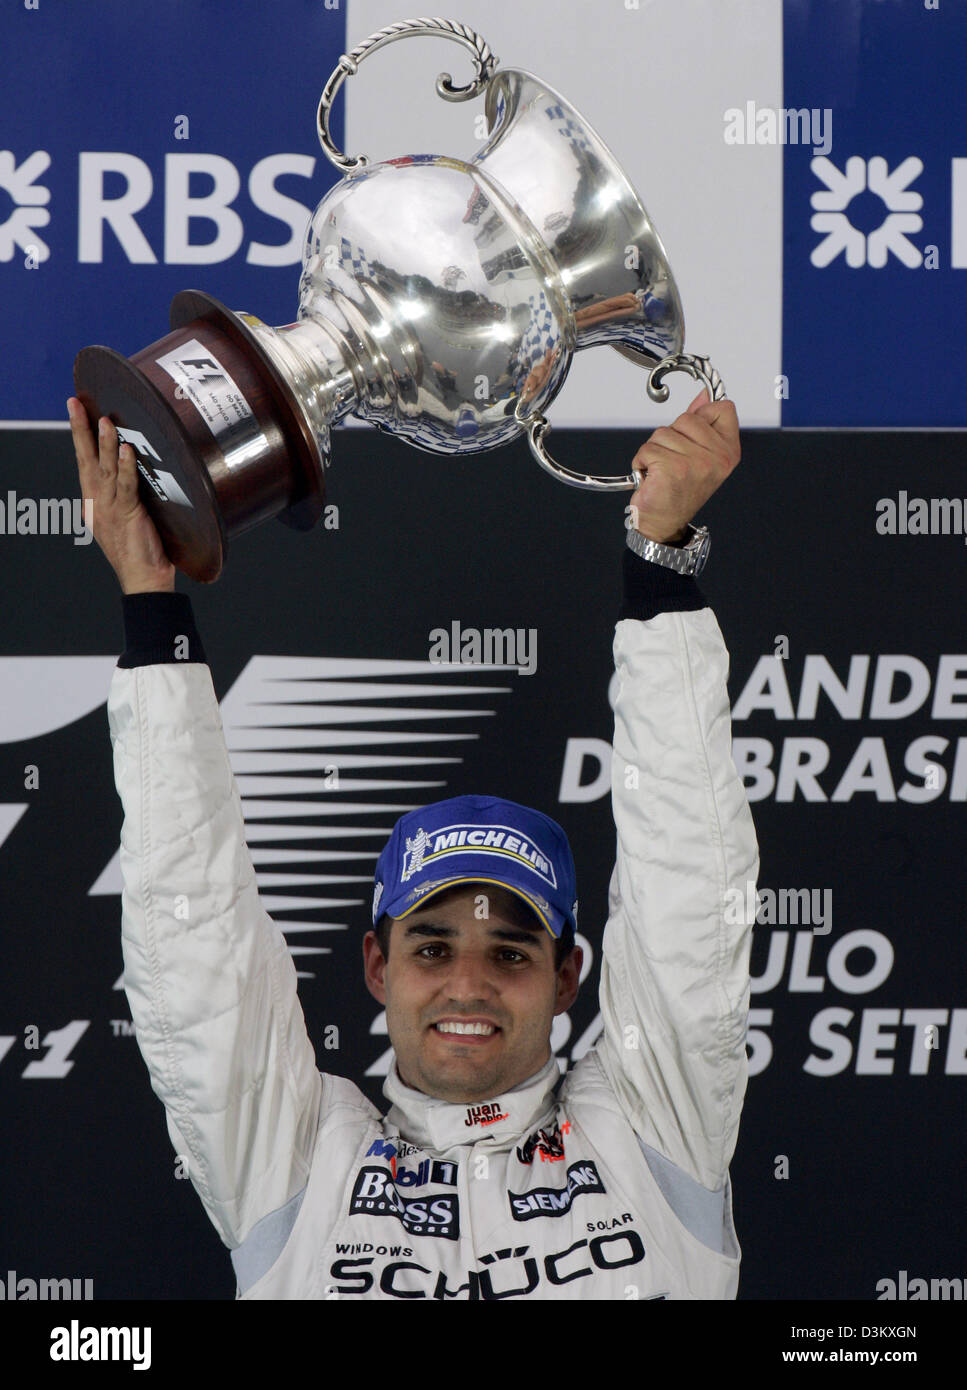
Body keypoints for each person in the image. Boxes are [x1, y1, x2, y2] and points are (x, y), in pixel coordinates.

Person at [68, 386, 757, 1300]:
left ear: (565, 978)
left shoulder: (646, 1129)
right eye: (430, 947)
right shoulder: (300, 1160)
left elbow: (686, 881)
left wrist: (660, 557)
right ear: (376, 966)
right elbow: (193, 943)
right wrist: (151, 607)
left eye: (510, 951)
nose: (467, 984)